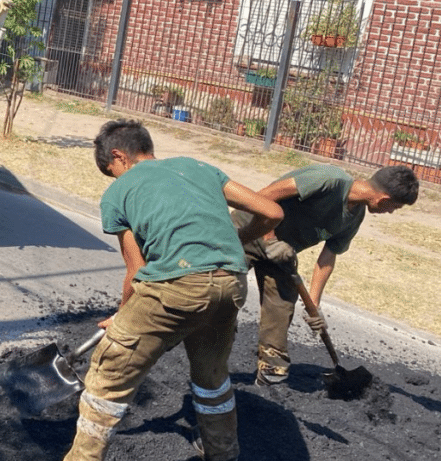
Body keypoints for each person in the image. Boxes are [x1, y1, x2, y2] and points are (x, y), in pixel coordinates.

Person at [64, 119, 283, 461]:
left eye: (112, 171)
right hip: (231, 283)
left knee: (109, 373)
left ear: (119, 157)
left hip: (177, 286)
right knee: (211, 378)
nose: (115, 179)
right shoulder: (197, 167)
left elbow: (136, 271)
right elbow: (272, 211)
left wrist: (122, 317)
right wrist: (237, 240)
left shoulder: (118, 193)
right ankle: (223, 455)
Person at [232, 163, 418, 386]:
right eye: (394, 208)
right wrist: (269, 239)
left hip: (282, 254)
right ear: (384, 199)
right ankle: (210, 350)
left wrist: (314, 305)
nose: (390, 212)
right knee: (227, 293)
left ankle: (271, 368)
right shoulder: (328, 180)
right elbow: (266, 194)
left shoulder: (354, 217)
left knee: (281, 306)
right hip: (248, 230)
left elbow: (328, 257)